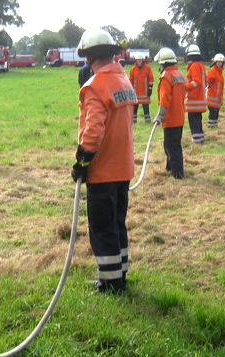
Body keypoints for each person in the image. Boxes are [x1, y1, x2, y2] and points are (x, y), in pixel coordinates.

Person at [71, 29, 137, 294]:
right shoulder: (124, 81)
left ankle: (110, 285)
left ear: (91, 57)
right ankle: (119, 274)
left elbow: (94, 130)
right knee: (117, 223)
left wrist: (82, 161)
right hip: (123, 168)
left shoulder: (96, 85)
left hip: (103, 170)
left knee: (102, 228)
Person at [154, 47, 186, 179]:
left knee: (172, 146)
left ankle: (177, 173)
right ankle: (170, 168)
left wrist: (160, 115)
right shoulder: (179, 73)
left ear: (163, 62)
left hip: (171, 118)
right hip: (179, 116)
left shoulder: (166, 76)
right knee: (171, 144)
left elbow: (164, 98)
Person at [184, 44, 207, 144]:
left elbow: (196, 82)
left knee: (193, 119)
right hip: (200, 98)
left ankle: (197, 140)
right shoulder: (201, 65)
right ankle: (200, 137)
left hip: (194, 98)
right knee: (198, 119)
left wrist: (186, 87)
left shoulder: (194, 66)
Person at [128, 52, 154, 123]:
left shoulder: (148, 69)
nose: (139, 61)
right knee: (134, 108)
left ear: (143, 60)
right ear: (136, 60)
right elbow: (130, 81)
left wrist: (150, 89)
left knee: (146, 108)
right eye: (138, 60)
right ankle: (134, 121)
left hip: (145, 93)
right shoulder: (133, 69)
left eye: (140, 60)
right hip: (135, 93)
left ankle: (147, 120)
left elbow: (151, 79)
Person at [206, 53, 225, 128]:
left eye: (221, 62)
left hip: (217, 98)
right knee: (213, 112)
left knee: (216, 113)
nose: (220, 63)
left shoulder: (219, 72)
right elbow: (207, 79)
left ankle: (214, 126)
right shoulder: (213, 70)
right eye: (218, 62)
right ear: (215, 62)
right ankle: (210, 126)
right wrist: (208, 82)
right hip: (212, 97)